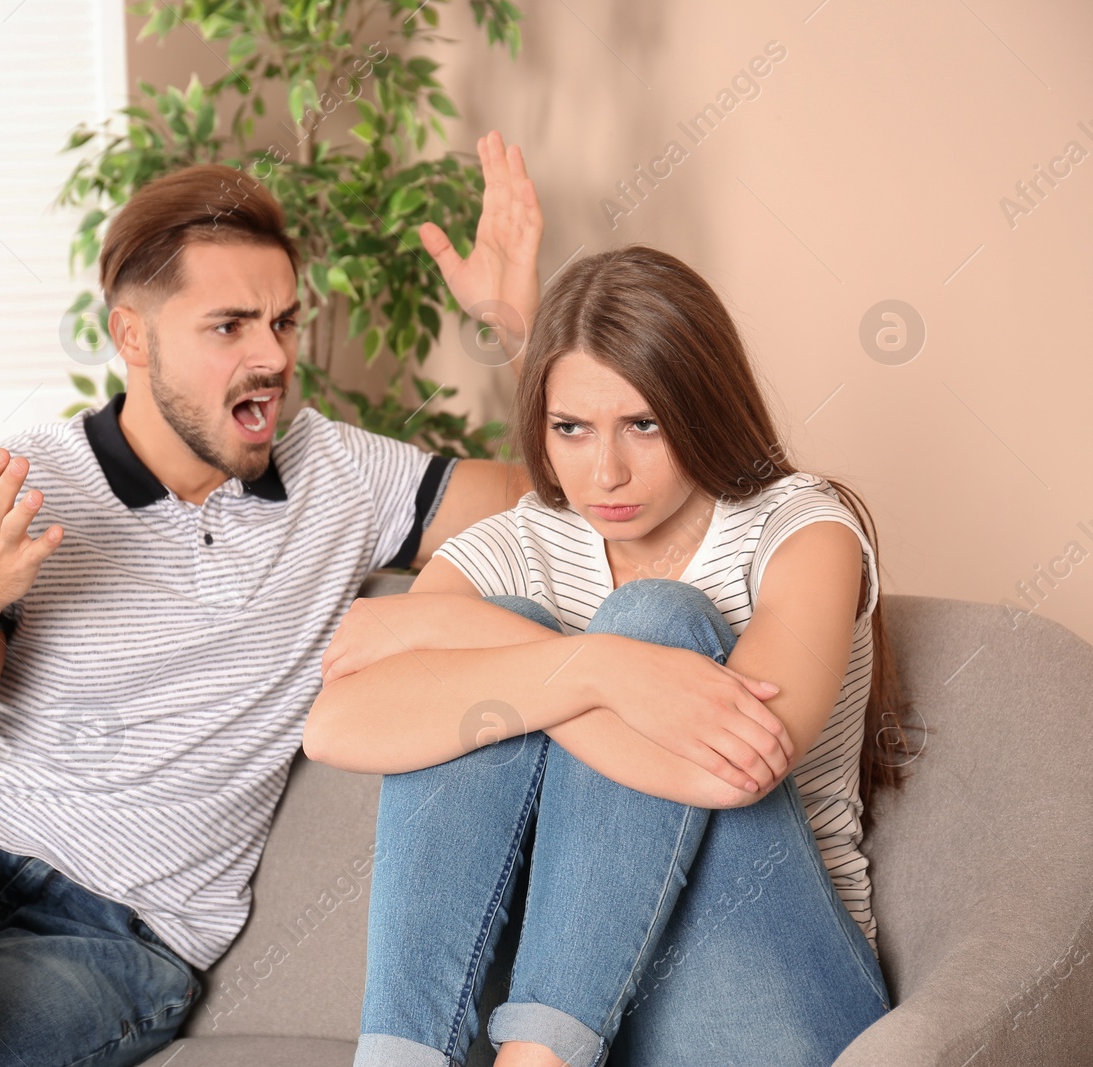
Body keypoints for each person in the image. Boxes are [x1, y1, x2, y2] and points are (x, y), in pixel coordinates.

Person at [0, 157, 536, 1067]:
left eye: (283, 322)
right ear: (134, 334)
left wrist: (516, 331)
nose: (273, 357)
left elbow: (555, 502)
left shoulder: (343, 478)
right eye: (229, 325)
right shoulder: (23, 482)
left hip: (119, 939)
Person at [304, 135, 912, 1067]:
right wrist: (593, 669)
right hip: (606, 1006)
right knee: (542, 668)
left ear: (702, 406)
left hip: (770, 990)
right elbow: (337, 720)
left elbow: (735, 766)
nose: (607, 470)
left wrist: (550, 661)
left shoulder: (803, 530)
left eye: (645, 423)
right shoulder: (524, 540)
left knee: (649, 623)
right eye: (572, 429)